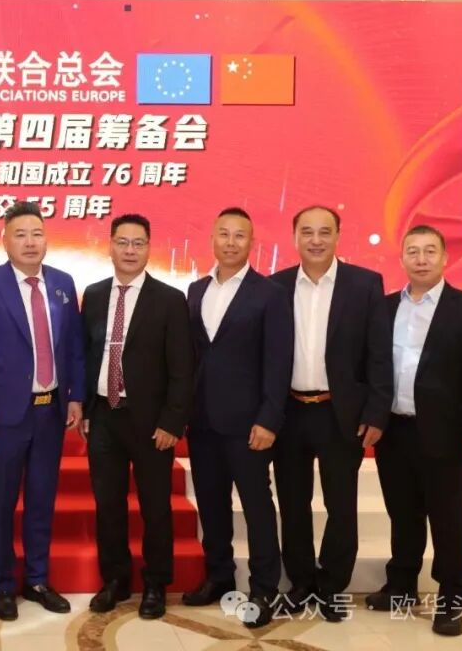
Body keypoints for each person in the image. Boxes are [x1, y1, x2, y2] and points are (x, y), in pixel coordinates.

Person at [364, 225, 462, 637]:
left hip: (444, 431)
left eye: (429, 251)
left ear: (445, 258)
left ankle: (452, 597)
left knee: (446, 517)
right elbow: (372, 368)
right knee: (402, 512)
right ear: (402, 259)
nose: (421, 259)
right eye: (413, 251)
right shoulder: (384, 308)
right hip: (393, 429)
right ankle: (402, 585)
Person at [269, 205, 393, 621]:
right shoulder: (276, 286)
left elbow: (379, 355)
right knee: (293, 502)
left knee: (341, 504)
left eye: (325, 231)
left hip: (341, 413)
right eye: (307, 232)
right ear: (294, 237)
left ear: (338, 236)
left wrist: (377, 412)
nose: (316, 240)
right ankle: (301, 581)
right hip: (289, 412)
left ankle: (332, 584)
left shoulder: (364, 284)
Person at [0, 201, 85, 621]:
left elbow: (74, 346)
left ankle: (37, 579)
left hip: (50, 412)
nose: (30, 242)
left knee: (41, 498)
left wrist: (75, 396)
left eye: (37, 234)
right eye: (20, 235)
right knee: (2, 501)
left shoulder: (63, 283)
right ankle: (2, 583)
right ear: (5, 241)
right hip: (5, 415)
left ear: (46, 239)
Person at [182, 207, 293, 629]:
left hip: (249, 424)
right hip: (203, 421)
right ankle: (219, 576)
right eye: (224, 234)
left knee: (257, 507)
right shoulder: (196, 290)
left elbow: (278, 361)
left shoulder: (269, 293)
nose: (231, 242)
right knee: (212, 505)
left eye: (239, 235)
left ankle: (264, 587)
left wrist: (269, 419)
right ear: (212, 238)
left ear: (252, 243)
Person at [82, 213, 194, 620]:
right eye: (123, 242)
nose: (130, 250)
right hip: (104, 416)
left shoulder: (169, 299)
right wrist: (86, 408)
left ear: (149, 247)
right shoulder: (94, 295)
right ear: (110, 245)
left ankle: (155, 583)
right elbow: (87, 355)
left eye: (138, 243)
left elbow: (182, 368)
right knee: (108, 504)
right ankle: (115, 579)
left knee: (155, 507)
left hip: (151, 422)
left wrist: (172, 422)